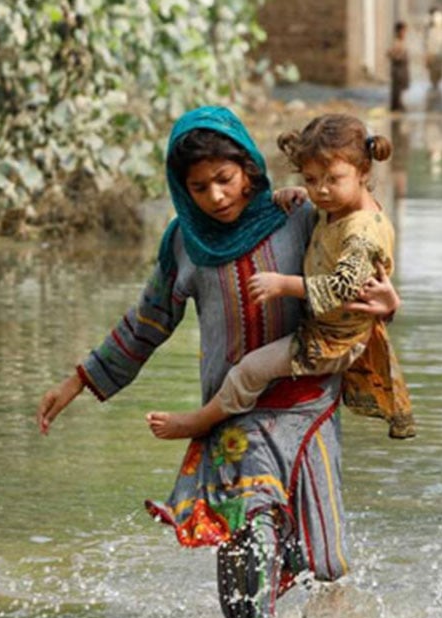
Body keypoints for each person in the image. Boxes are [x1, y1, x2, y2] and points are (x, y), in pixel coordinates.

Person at [35, 106, 400, 618]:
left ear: (250, 169)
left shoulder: (300, 216)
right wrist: (78, 380)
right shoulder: (185, 243)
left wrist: (389, 303)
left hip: (309, 409)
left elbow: (362, 265)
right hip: (232, 418)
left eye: (225, 180)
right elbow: (147, 322)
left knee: (327, 565)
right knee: (247, 568)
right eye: (199, 187)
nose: (217, 197)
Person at [147, 114, 415, 442]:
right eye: (312, 179)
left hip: (330, 341)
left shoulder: (361, 231)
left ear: (363, 172)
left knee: (249, 370)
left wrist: (283, 284)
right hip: (327, 333)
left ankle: (201, 421)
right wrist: (298, 193)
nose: (321, 190)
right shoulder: (328, 211)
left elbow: (343, 287)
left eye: (332, 179)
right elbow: (145, 322)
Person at [387, 21, 410, 113]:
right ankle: (396, 106)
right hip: (397, 68)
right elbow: (389, 53)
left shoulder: (402, 42)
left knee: (401, 87)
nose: (404, 33)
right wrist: (398, 57)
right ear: (398, 31)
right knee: (396, 88)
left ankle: (399, 105)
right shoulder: (396, 42)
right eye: (403, 31)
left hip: (402, 68)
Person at [424, 7, 442, 92]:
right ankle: (435, 86)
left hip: (438, 53)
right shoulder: (429, 29)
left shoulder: (439, 27)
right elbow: (428, 43)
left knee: (438, 73)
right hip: (433, 53)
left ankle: (436, 86)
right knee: (434, 73)